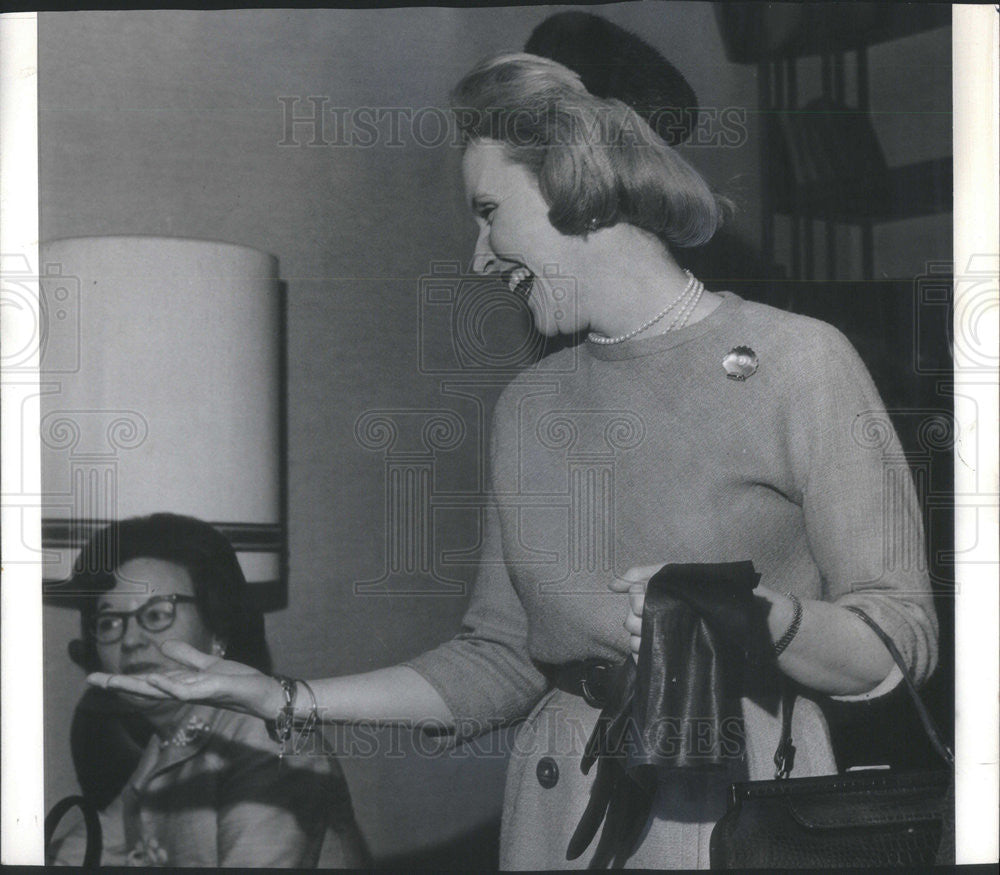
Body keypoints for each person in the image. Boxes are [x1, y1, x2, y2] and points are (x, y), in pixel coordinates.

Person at [90, 55, 939, 869]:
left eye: (488, 210)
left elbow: (899, 639)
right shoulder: (530, 405)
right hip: (560, 804)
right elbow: (497, 660)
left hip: (742, 797)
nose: (477, 256)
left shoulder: (800, 360)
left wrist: (755, 616)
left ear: (575, 184)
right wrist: (280, 698)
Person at [54, 513, 368, 868]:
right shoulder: (169, 739)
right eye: (109, 622)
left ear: (217, 630)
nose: (130, 640)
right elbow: (89, 846)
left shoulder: (269, 737)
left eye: (157, 615)